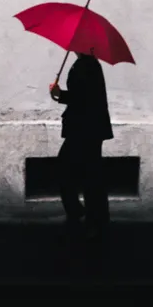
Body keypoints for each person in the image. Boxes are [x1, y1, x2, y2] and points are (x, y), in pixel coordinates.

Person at [49, 51, 113, 240]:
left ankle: (90, 218)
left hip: (85, 129)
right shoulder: (86, 64)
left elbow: (83, 98)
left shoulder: (88, 65)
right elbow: (82, 96)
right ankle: (90, 217)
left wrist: (59, 94)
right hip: (88, 129)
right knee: (88, 174)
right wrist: (59, 95)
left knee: (80, 173)